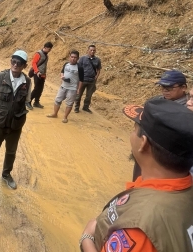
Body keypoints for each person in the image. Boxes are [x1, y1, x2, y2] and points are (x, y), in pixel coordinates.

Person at [80, 99, 193, 252]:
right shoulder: (181, 188)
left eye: (134, 129)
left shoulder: (139, 229)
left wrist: (86, 238)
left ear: (143, 143)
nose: (132, 135)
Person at [0, 50, 31, 191]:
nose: (15, 65)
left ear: (24, 65)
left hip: (16, 124)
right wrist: (3, 108)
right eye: (13, 61)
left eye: (19, 63)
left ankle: (6, 174)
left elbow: (27, 100)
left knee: (11, 151)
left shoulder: (27, 82)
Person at [132, 69, 188, 181]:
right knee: (138, 182)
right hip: (146, 152)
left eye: (170, 88)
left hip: (168, 162)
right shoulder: (155, 102)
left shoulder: (188, 109)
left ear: (184, 87)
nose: (165, 91)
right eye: (162, 87)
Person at [47, 50, 83, 123]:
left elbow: (81, 80)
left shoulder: (80, 67)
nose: (73, 58)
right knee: (57, 100)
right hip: (63, 86)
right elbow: (62, 72)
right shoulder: (66, 64)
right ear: (69, 57)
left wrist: (79, 89)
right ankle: (55, 114)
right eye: (72, 57)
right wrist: (62, 76)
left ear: (78, 58)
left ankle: (65, 117)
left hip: (72, 89)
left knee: (69, 103)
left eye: (75, 57)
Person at [74, 44, 102, 113]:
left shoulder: (97, 60)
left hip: (91, 81)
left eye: (94, 50)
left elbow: (98, 70)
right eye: (91, 50)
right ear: (88, 50)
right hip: (82, 80)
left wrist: (96, 77)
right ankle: (76, 107)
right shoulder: (83, 58)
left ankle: (85, 107)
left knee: (89, 96)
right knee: (79, 95)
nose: (92, 51)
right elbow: (78, 67)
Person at [26, 41, 53, 110]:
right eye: (49, 49)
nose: (49, 51)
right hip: (37, 74)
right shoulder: (38, 54)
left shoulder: (46, 55)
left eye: (50, 49)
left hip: (43, 75)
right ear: (45, 47)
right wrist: (37, 71)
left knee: (40, 89)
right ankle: (28, 101)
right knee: (36, 88)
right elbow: (34, 63)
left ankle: (36, 102)